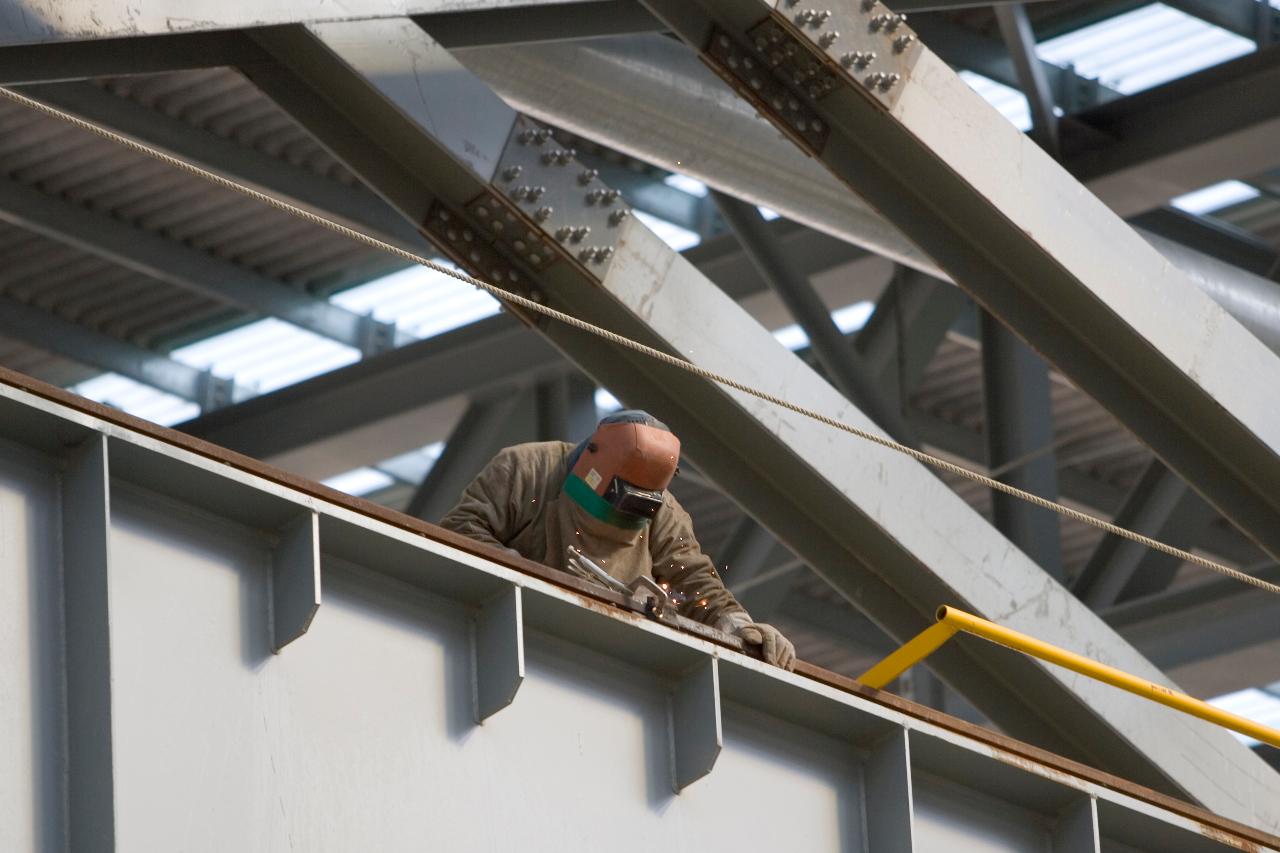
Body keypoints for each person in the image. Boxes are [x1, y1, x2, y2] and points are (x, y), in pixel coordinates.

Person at [440, 410, 797, 670]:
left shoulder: (665, 514)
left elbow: (696, 586)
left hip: (611, 651)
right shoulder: (526, 469)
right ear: (590, 463)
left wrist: (739, 626)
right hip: (513, 631)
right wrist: (529, 582)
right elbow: (460, 531)